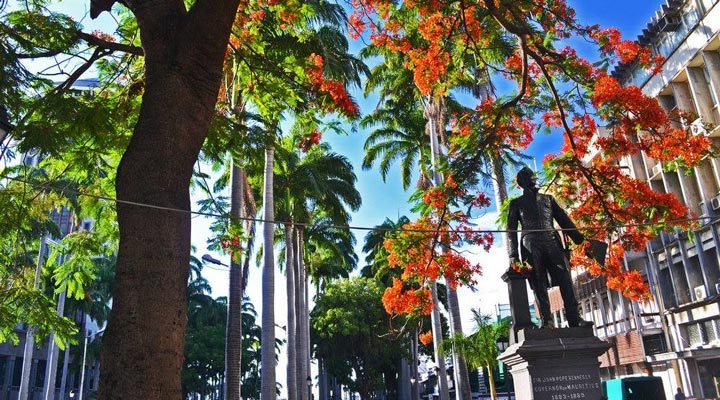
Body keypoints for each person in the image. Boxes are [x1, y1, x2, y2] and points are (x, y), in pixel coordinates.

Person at [507, 166, 592, 328]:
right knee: (538, 280)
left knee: (565, 276)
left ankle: (574, 318)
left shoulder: (548, 199)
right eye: (527, 176)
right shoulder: (516, 204)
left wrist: (580, 239)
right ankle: (547, 320)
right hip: (530, 243)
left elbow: (564, 221)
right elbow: (511, 230)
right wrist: (513, 255)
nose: (531, 178)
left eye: (531, 175)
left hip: (552, 240)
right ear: (522, 183)